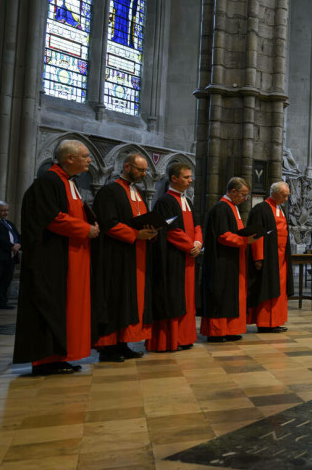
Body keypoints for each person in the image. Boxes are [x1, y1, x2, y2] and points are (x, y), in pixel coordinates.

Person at [13, 140, 100, 375]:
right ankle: (46, 360)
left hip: (71, 256)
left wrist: (91, 224)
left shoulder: (68, 182)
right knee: (50, 306)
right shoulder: (48, 182)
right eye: (85, 156)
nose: (89, 160)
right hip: (51, 259)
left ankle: (60, 356)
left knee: (66, 309)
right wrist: (85, 229)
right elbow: (52, 217)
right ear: (69, 158)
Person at [92, 153, 158, 362]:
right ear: (127, 167)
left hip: (136, 255)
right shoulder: (110, 191)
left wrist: (151, 230)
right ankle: (108, 347)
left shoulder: (137, 192)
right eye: (140, 170)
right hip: (116, 256)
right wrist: (135, 234)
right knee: (116, 299)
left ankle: (124, 343)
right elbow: (107, 222)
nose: (143, 174)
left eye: (145, 170)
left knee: (130, 302)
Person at [147, 162, 203, 353]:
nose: (190, 180)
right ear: (174, 179)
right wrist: (190, 246)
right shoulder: (165, 201)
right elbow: (171, 231)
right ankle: (170, 339)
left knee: (188, 298)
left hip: (188, 257)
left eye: (190, 177)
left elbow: (197, 225)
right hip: (172, 259)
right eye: (187, 177)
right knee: (172, 298)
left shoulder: (187, 200)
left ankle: (185, 337)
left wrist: (198, 243)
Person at [201, 177, 254, 342]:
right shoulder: (221, 208)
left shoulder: (232, 207)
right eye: (243, 195)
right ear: (233, 191)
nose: (245, 199)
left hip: (232, 259)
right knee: (221, 295)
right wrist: (245, 241)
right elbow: (223, 235)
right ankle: (217, 332)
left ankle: (230, 330)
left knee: (231, 296)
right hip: (221, 260)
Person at [248, 182, 293, 333]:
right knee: (267, 289)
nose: (286, 199)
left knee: (280, 289)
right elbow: (256, 234)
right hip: (269, 257)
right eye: (284, 195)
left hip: (281, 258)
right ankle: (265, 322)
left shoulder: (280, 209)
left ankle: (276, 321)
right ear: (274, 193)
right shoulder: (261, 209)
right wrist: (258, 257)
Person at [0, 201, 20, 310]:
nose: (6, 213)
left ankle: (1, 301)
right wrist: (11, 245)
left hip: (10, 257)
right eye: (3, 210)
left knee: (6, 280)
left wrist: (18, 244)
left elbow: (16, 235)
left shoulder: (9, 223)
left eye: (7, 210)